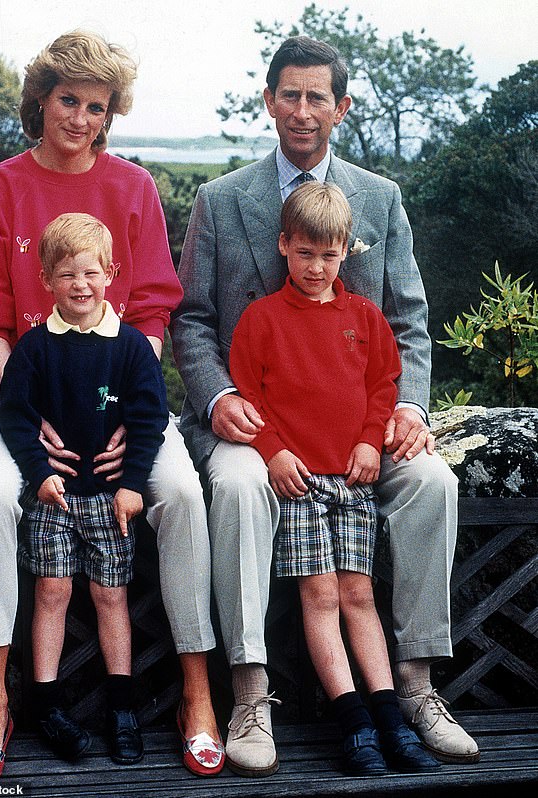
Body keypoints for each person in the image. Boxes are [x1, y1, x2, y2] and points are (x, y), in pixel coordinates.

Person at [171, 35, 479, 776]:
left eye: (318, 97)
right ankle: (249, 691)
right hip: (258, 425)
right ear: (268, 99)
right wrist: (217, 398)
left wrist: (408, 410)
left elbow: (406, 322)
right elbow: (191, 320)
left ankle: (414, 686)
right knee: (240, 486)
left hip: (360, 431)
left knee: (433, 481)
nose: (302, 111)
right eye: (289, 95)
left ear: (341, 106)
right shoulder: (221, 199)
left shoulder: (380, 198)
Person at [0, 30, 223, 784]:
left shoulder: (133, 188)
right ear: (40, 99)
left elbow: (152, 318)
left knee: (180, 491)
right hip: (21, 395)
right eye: (68, 100)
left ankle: (196, 695)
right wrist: (25, 404)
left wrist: (122, 420)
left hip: (119, 400)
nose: (80, 118)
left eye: (96, 107)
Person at [229, 181, 440, 775]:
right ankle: (353, 725)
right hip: (297, 483)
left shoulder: (365, 318)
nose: (316, 267)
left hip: (353, 478)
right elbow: (246, 398)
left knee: (359, 596)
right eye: (304, 254)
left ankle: (391, 719)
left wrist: (372, 440)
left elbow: (383, 387)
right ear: (283, 246)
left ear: (346, 250)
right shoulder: (262, 319)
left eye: (328, 255)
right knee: (319, 597)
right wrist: (272, 452)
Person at [0, 212, 167, 765]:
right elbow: (18, 420)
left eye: (91, 273)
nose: (80, 285)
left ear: (111, 273)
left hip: (110, 499)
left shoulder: (132, 348)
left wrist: (134, 484)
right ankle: (45, 703)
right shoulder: (34, 349)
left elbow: (149, 420)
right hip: (56, 497)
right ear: (46, 280)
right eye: (66, 275)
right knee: (51, 594)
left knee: (111, 596)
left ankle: (122, 705)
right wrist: (39, 474)